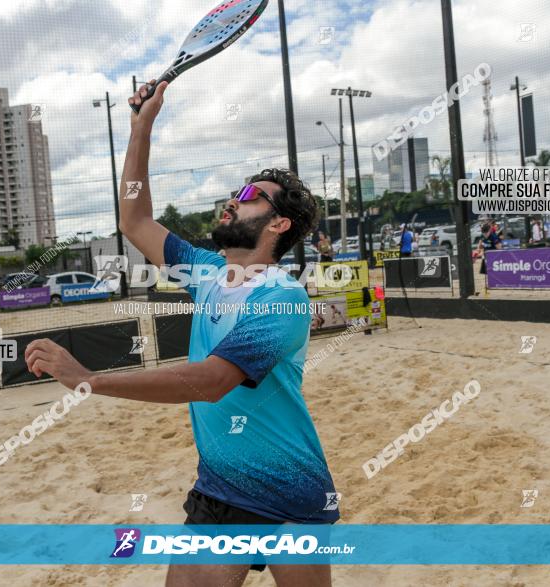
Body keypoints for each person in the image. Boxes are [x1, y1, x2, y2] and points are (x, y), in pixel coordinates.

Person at [24, 79, 338, 587]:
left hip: (288, 485)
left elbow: (211, 381)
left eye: (250, 196)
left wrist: (93, 380)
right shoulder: (208, 271)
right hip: (220, 486)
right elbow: (134, 217)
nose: (233, 201)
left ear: (279, 226)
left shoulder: (282, 296)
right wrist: (141, 126)